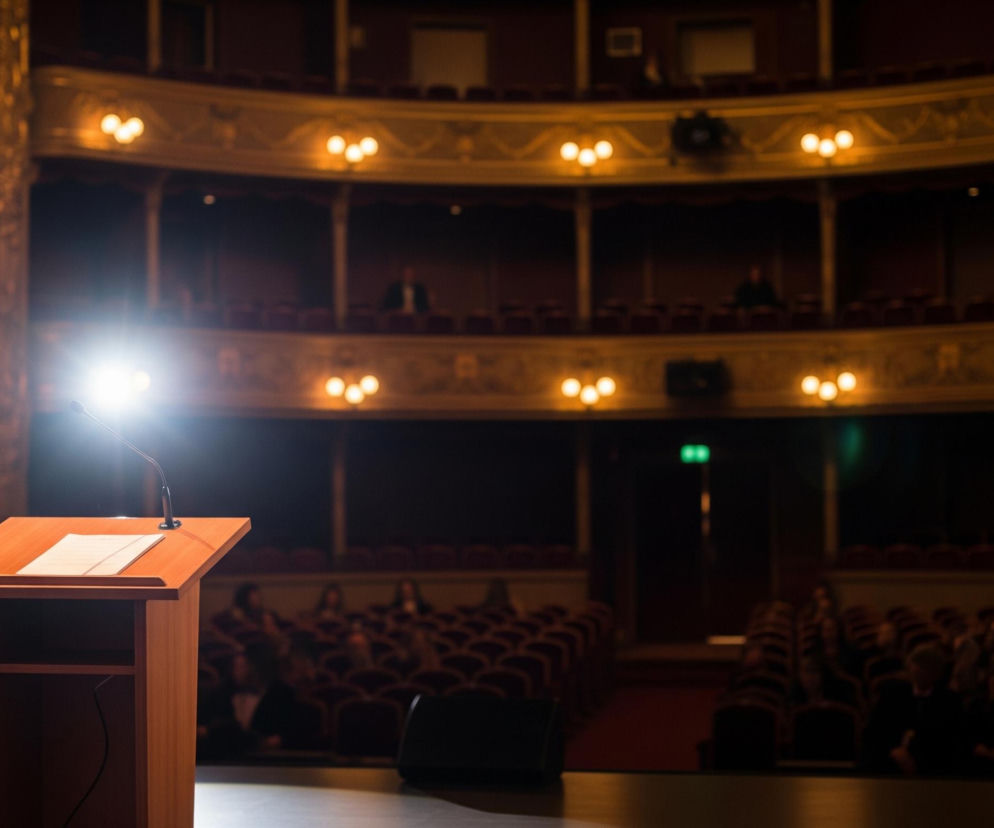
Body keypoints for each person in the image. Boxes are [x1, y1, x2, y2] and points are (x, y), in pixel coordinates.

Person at [862, 643, 964, 775]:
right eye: (917, 665)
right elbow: (875, 730)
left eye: (927, 667)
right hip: (890, 762)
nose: (920, 671)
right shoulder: (892, 694)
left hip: (931, 766)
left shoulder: (949, 701)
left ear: (936, 673)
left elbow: (950, 740)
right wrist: (893, 750)